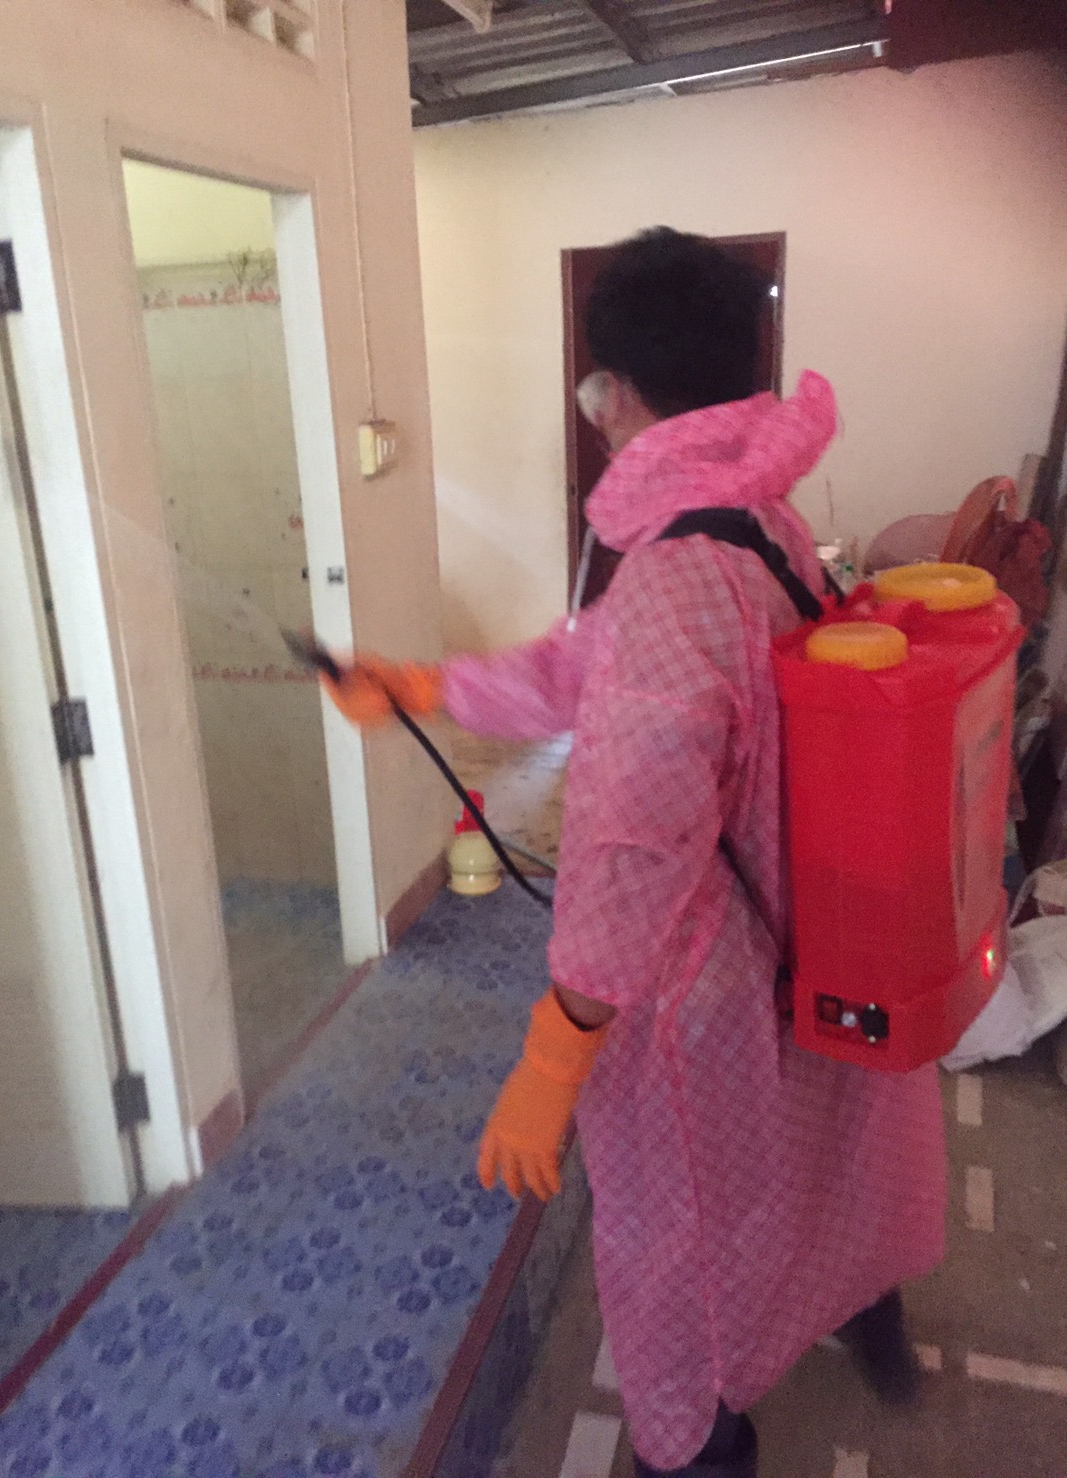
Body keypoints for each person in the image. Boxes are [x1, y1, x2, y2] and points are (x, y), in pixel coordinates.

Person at [321, 228, 946, 1478]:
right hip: (808, 928)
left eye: (595, 381)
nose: (591, 403)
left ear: (623, 394)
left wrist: (560, 1043)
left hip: (695, 994)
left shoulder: (674, 572)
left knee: (676, 1250)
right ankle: (864, 1309)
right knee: (829, 1156)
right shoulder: (758, 518)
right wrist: (430, 685)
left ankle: (701, 1445)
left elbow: (630, 847)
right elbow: (582, 663)